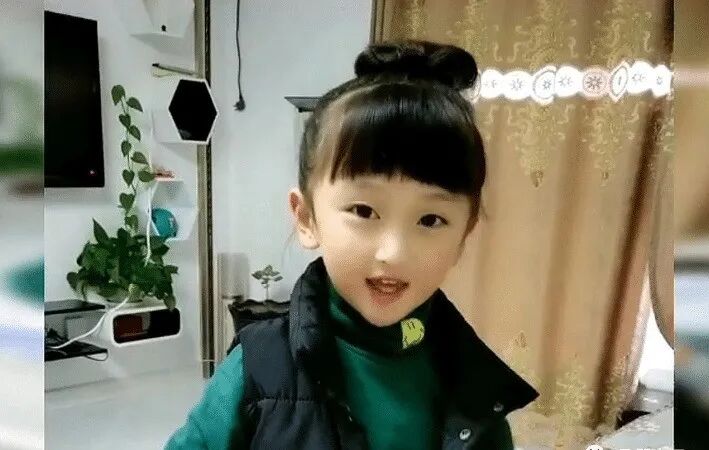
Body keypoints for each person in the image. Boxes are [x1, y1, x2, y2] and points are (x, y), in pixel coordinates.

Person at [165, 39, 539, 450]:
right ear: (307, 218)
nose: (394, 253)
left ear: (465, 234)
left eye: (430, 220)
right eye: (364, 210)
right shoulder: (260, 364)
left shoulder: (477, 387)